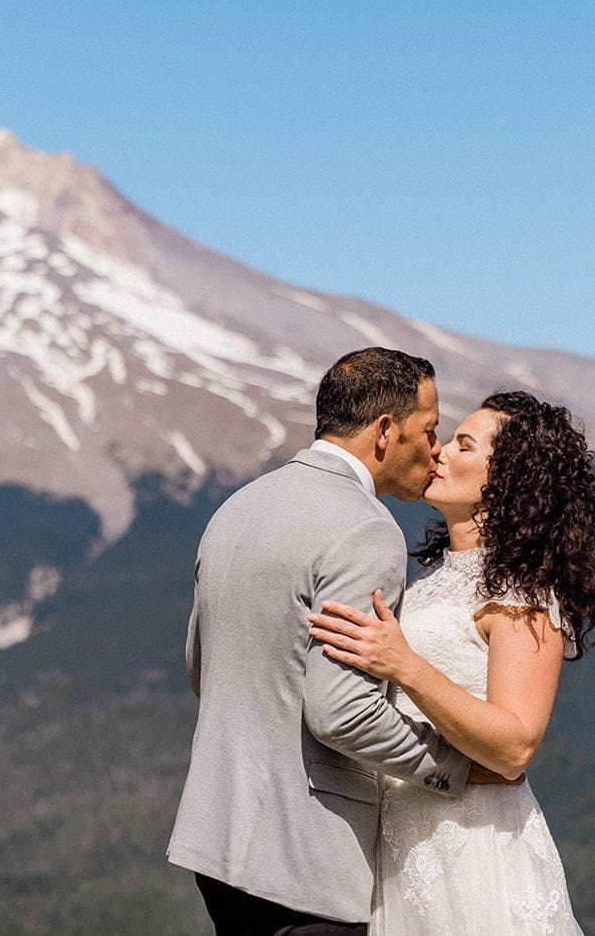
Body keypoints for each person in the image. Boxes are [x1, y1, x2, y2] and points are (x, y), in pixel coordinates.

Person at [168, 348, 508, 935]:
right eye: (428, 431)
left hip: (216, 844)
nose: (435, 451)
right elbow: (341, 714)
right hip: (304, 860)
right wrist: (453, 766)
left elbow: (204, 670)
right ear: (384, 432)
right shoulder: (364, 529)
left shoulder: (236, 508)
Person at [307, 390, 595, 934]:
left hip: (475, 850)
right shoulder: (429, 581)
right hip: (397, 844)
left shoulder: (523, 592)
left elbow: (516, 745)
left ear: (510, 481)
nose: (439, 452)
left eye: (463, 444)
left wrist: (405, 666)